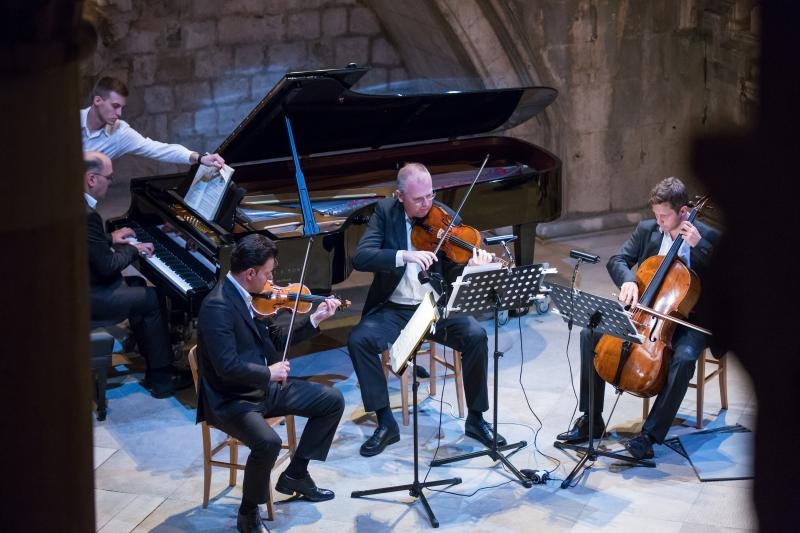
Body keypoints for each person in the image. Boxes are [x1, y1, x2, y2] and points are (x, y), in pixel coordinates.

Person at [347, 162, 506, 457]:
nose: (426, 204)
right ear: (400, 196)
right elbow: (361, 257)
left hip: (434, 307)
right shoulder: (384, 213)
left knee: (475, 336)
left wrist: (470, 268)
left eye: (430, 196)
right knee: (359, 341)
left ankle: (476, 418)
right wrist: (405, 255)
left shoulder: (445, 218)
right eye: (419, 199)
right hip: (393, 308)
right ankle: (385, 422)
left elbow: (453, 274)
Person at [556, 176, 720, 459]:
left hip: (690, 320)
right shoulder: (647, 230)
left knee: (684, 358)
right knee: (590, 333)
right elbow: (617, 260)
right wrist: (629, 281)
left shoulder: (707, 237)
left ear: (683, 212)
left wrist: (700, 247)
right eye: (655, 214)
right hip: (647, 312)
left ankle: (649, 436)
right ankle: (591, 419)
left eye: (664, 216)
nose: (658, 221)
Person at [195, 234, 344, 533]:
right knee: (268, 443)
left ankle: (296, 474)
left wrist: (314, 320)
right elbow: (226, 368)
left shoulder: (250, 297)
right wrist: (269, 374)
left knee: (331, 401)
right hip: (231, 399)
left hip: (263, 389)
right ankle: (248, 512)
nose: (271, 279)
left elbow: (275, 340)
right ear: (250, 273)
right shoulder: (218, 307)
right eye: (268, 273)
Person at [84, 150, 192, 398]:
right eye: (108, 177)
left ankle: (152, 358)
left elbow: (86, 245)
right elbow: (108, 266)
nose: (111, 183)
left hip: (82, 285)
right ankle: (163, 378)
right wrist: (133, 249)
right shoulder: (87, 215)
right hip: (88, 296)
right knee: (151, 299)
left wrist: (110, 237)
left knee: (134, 283)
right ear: (92, 179)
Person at [81, 76, 225, 168]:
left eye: (122, 108)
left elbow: (158, 149)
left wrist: (200, 158)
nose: (119, 114)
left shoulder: (120, 132)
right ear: (98, 100)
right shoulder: (66, 122)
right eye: (115, 106)